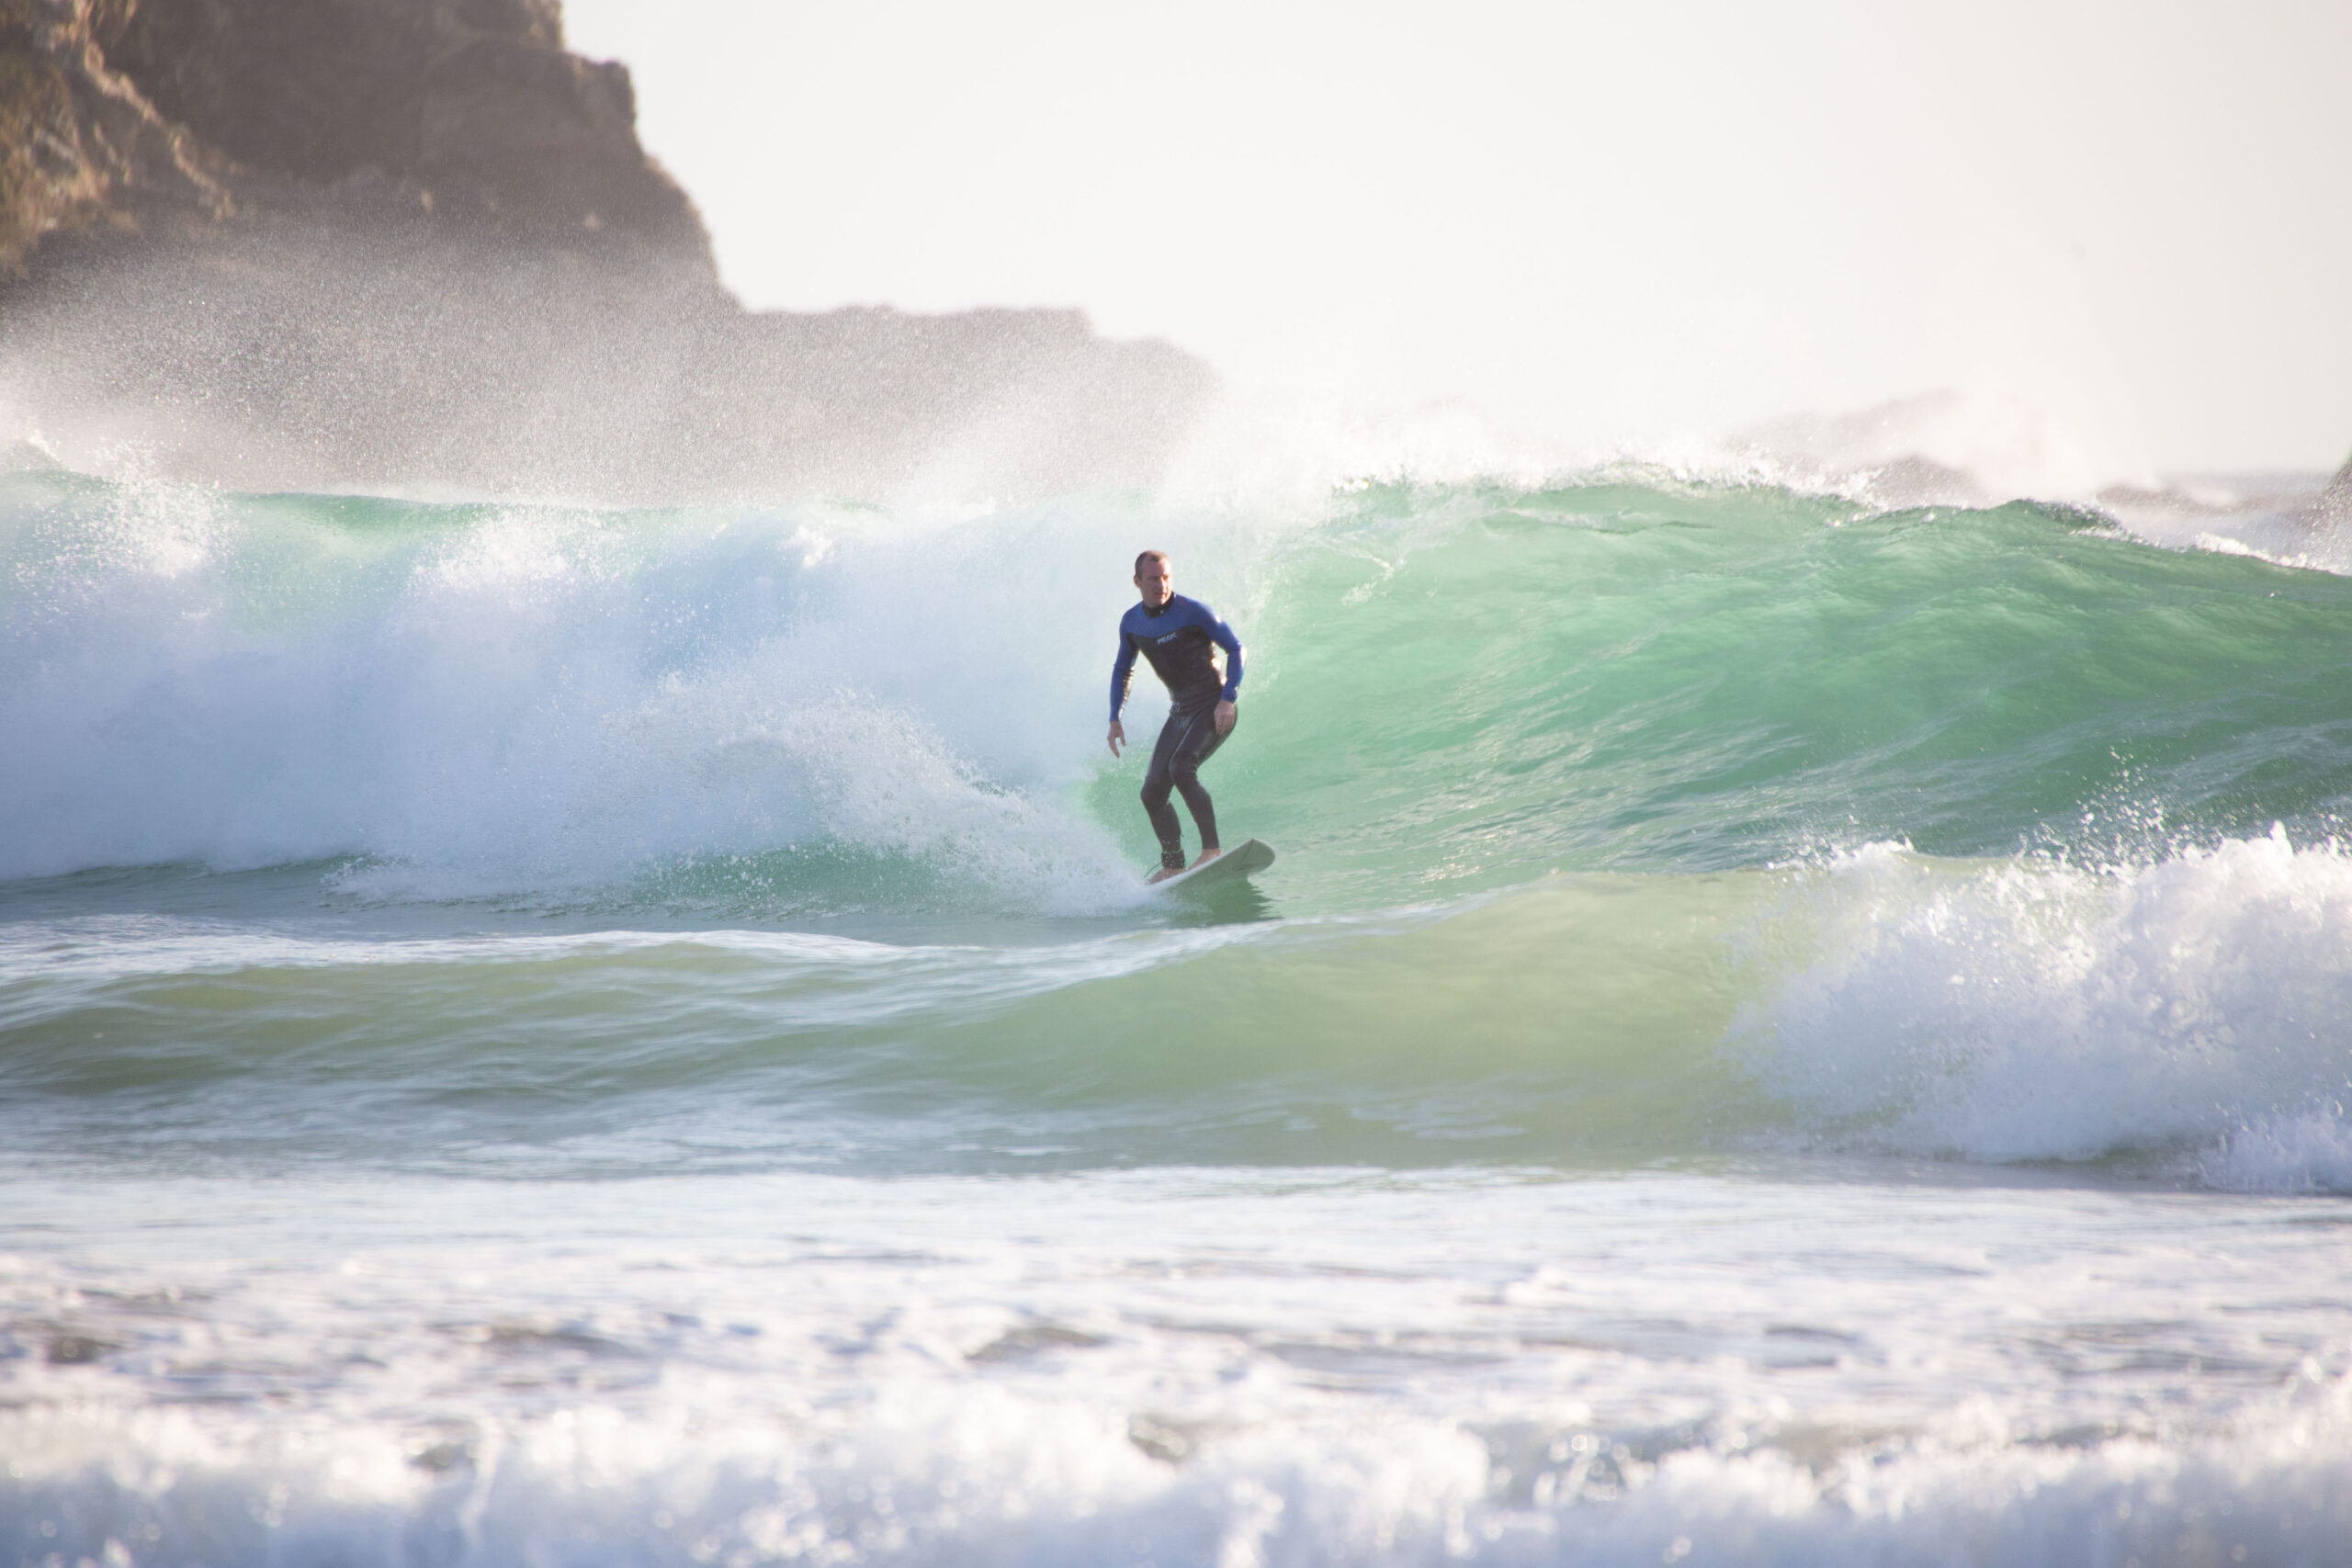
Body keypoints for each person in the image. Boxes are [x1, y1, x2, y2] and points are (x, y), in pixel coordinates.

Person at [1107, 550, 1243, 882]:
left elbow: (1235, 648)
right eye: (1153, 579)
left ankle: (1212, 850)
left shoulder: (1193, 612)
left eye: (1166, 577)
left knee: (1182, 767)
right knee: (1151, 792)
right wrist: (1115, 717)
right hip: (1180, 710)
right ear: (1138, 581)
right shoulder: (1132, 622)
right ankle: (1173, 864)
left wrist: (1228, 698)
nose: (1161, 584)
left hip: (1213, 705)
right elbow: (1123, 669)